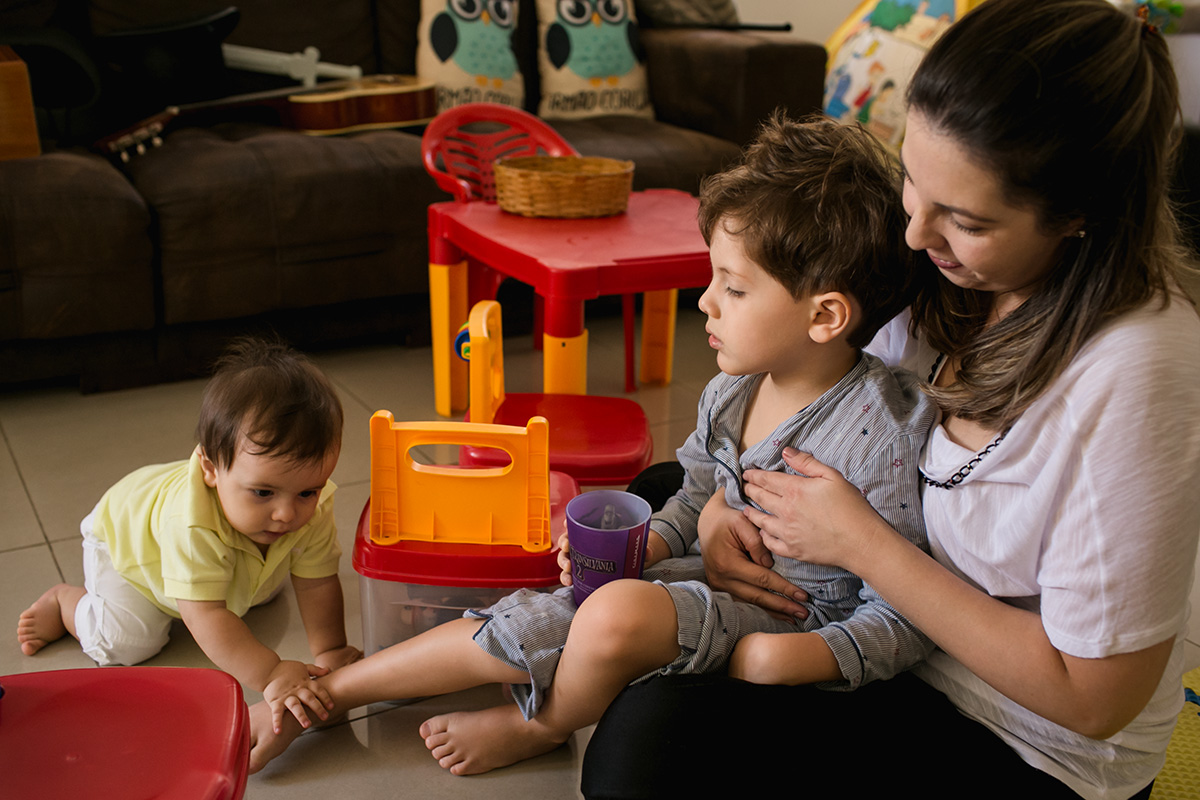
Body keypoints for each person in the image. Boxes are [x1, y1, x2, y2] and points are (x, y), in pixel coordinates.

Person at [580, 2, 1200, 799]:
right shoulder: (944, 267)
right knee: (666, 487)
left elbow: (1094, 699)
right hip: (867, 604)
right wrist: (716, 519)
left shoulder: (1141, 373)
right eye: (914, 178)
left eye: (966, 218)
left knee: (645, 753)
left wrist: (864, 545)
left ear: (1080, 216)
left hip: (1017, 731)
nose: (915, 234)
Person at [244, 113, 936, 776]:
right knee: (550, 605)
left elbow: (904, 611)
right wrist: (647, 548)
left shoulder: (879, 435)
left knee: (611, 612)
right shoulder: (734, 390)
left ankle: (540, 727)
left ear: (825, 316)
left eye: (733, 288)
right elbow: (693, 494)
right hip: (712, 584)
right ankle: (328, 697)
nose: (705, 302)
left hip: (798, 631)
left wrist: (801, 659)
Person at [17, 337, 361, 730]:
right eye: (263, 492)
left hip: (218, 544)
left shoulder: (308, 505)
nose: (286, 513)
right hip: (129, 546)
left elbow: (317, 581)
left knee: (260, 584)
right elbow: (205, 615)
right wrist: (271, 673)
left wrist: (331, 649)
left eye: (307, 491)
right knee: (130, 642)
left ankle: (235, 567)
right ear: (211, 469)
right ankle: (66, 604)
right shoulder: (189, 522)